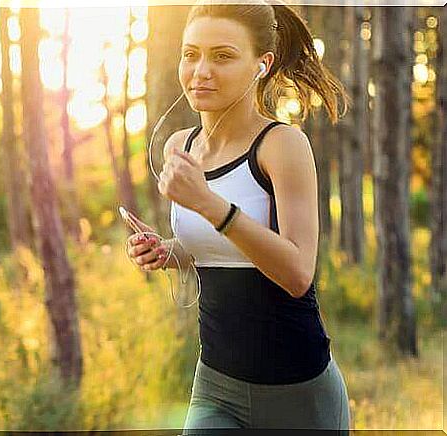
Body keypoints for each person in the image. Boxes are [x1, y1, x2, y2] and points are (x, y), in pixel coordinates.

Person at [124, 1, 351, 433]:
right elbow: (217, 248)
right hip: (215, 385)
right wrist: (166, 251)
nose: (201, 70)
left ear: (261, 65)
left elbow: (298, 272)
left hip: (298, 391)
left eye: (223, 55)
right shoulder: (180, 146)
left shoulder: (281, 145)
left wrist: (209, 204)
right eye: (191, 54)